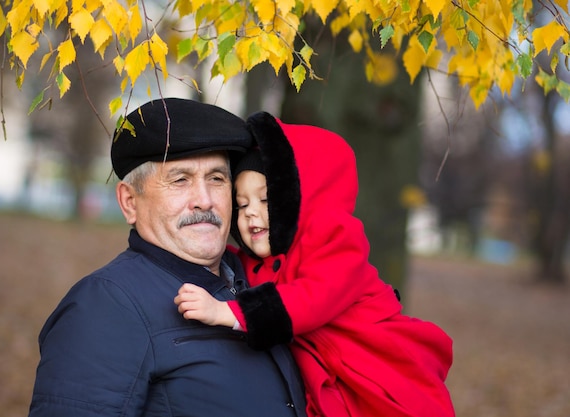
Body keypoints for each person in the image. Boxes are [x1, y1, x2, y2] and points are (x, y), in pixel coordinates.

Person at [27, 98, 308, 417]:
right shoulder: (105, 306)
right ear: (130, 202)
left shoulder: (260, 281)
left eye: (216, 178)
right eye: (180, 180)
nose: (204, 200)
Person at [175, 111, 455, 417]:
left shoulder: (335, 237)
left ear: (299, 197)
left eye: (266, 200)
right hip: (327, 376)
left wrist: (227, 312)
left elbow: (313, 297)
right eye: (242, 205)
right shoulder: (255, 261)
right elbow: (228, 265)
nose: (251, 214)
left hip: (373, 364)